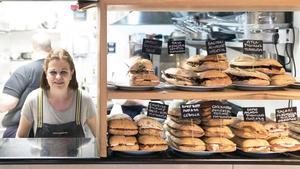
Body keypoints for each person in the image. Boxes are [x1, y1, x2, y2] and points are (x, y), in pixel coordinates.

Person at [16, 49, 96, 138]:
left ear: (71, 73)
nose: (58, 77)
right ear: (46, 73)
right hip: (42, 152)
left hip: (77, 153)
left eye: (64, 72)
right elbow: (20, 137)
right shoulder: (33, 99)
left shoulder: (84, 100)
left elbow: (99, 136)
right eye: (53, 72)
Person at [0, 32, 52, 138]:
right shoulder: (62, 72)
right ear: (51, 48)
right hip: (53, 131)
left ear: (33, 48)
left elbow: (8, 103)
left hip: (23, 130)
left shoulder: (25, 71)